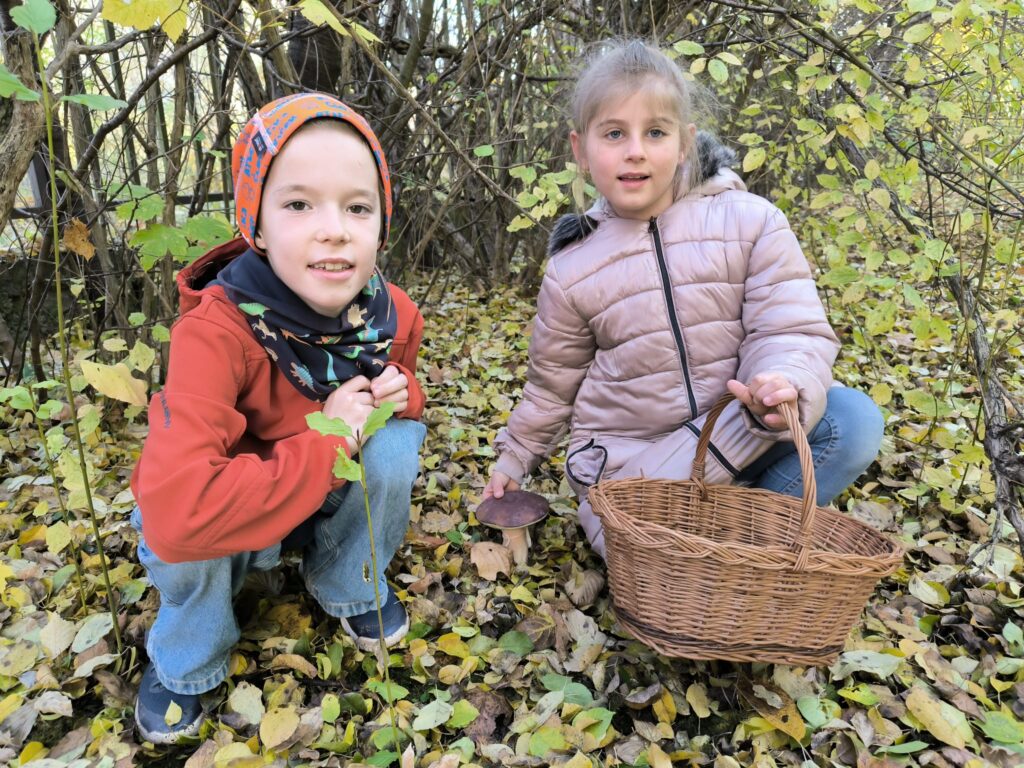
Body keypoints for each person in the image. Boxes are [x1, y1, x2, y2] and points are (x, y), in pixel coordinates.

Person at [485, 40, 883, 559]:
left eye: (655, 132)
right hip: (639, 473)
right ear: (580, 151)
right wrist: (514, 460)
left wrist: (782, 379)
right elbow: (550, 387)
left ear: (684, 144)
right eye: (614, 133)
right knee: (647, 546)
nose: (635, 151)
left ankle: (742, 550)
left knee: (853, 421)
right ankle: (700, 557)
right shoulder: (573, 268)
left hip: (741, 435)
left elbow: (788, 327)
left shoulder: (750, 221)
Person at [129, 93, 427, 744]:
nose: (334, 229)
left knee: (398, 440)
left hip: (309, 497)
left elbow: (403, 395)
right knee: (172, 527)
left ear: (382, 224)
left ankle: (348, 581)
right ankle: (188, 656)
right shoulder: (216, 331)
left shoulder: (392, 315)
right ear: (256, 226)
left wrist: (404, 393)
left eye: (358, 207)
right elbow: (180, 511)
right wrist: (331, 441)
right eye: (298, 205)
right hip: (229, 518)